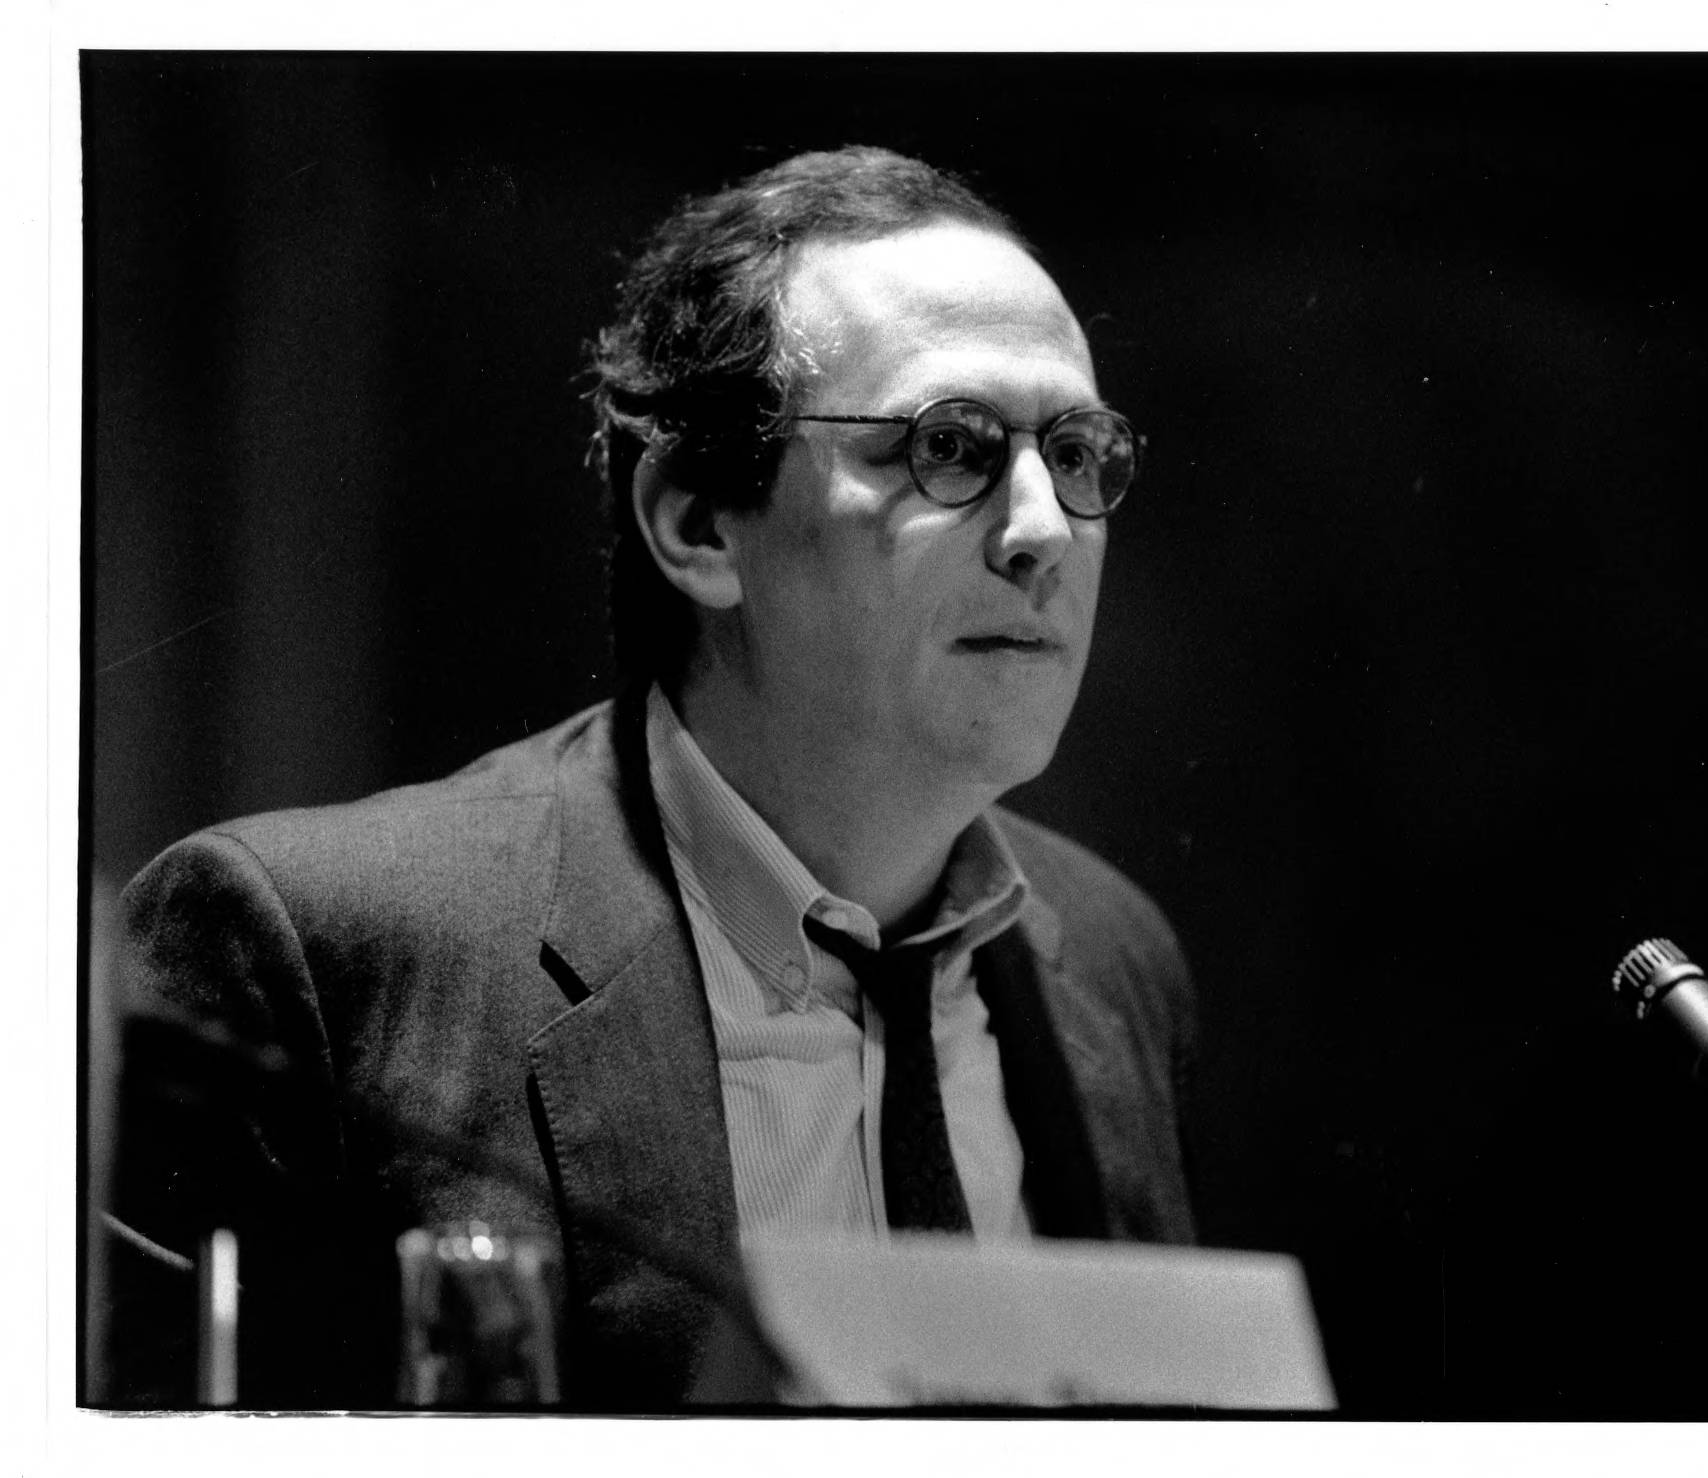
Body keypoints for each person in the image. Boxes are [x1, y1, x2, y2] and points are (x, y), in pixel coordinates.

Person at [103, 146, 1197, 1409]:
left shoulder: (1113, 956)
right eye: (949, 445)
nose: (1046, 529)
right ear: (697, 522)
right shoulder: (315, 945)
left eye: (1080, 452)